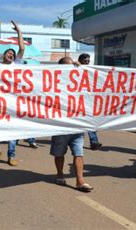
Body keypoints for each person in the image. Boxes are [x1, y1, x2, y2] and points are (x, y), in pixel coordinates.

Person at [0, 20, 37, 166]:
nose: (11, 54)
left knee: (13, 130)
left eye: (12, 53)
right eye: (8, 53)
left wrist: (19, 32)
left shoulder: (16, 65)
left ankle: (11, 155)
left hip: (14, 103)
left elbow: (21, 48)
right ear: (3, 56)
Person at [50, 56, 93, 192]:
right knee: (59, 153)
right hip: (61, 126)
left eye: (72, 66)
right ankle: (60, 174)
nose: (71, 69)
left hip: (76, 125)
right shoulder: (53, 81)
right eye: (68, 66)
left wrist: (81, 68)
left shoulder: (79, 81)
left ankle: (80, 181)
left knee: (79, 152)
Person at [78, 53, 102, 150]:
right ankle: (74, 140)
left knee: (89, 121)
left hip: (88, 101)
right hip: (77, 101)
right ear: (80, 61)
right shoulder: (75, 69)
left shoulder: (91, 70)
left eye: (88, 61)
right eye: (85, 61)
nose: (87, 63)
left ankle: (94, 142)